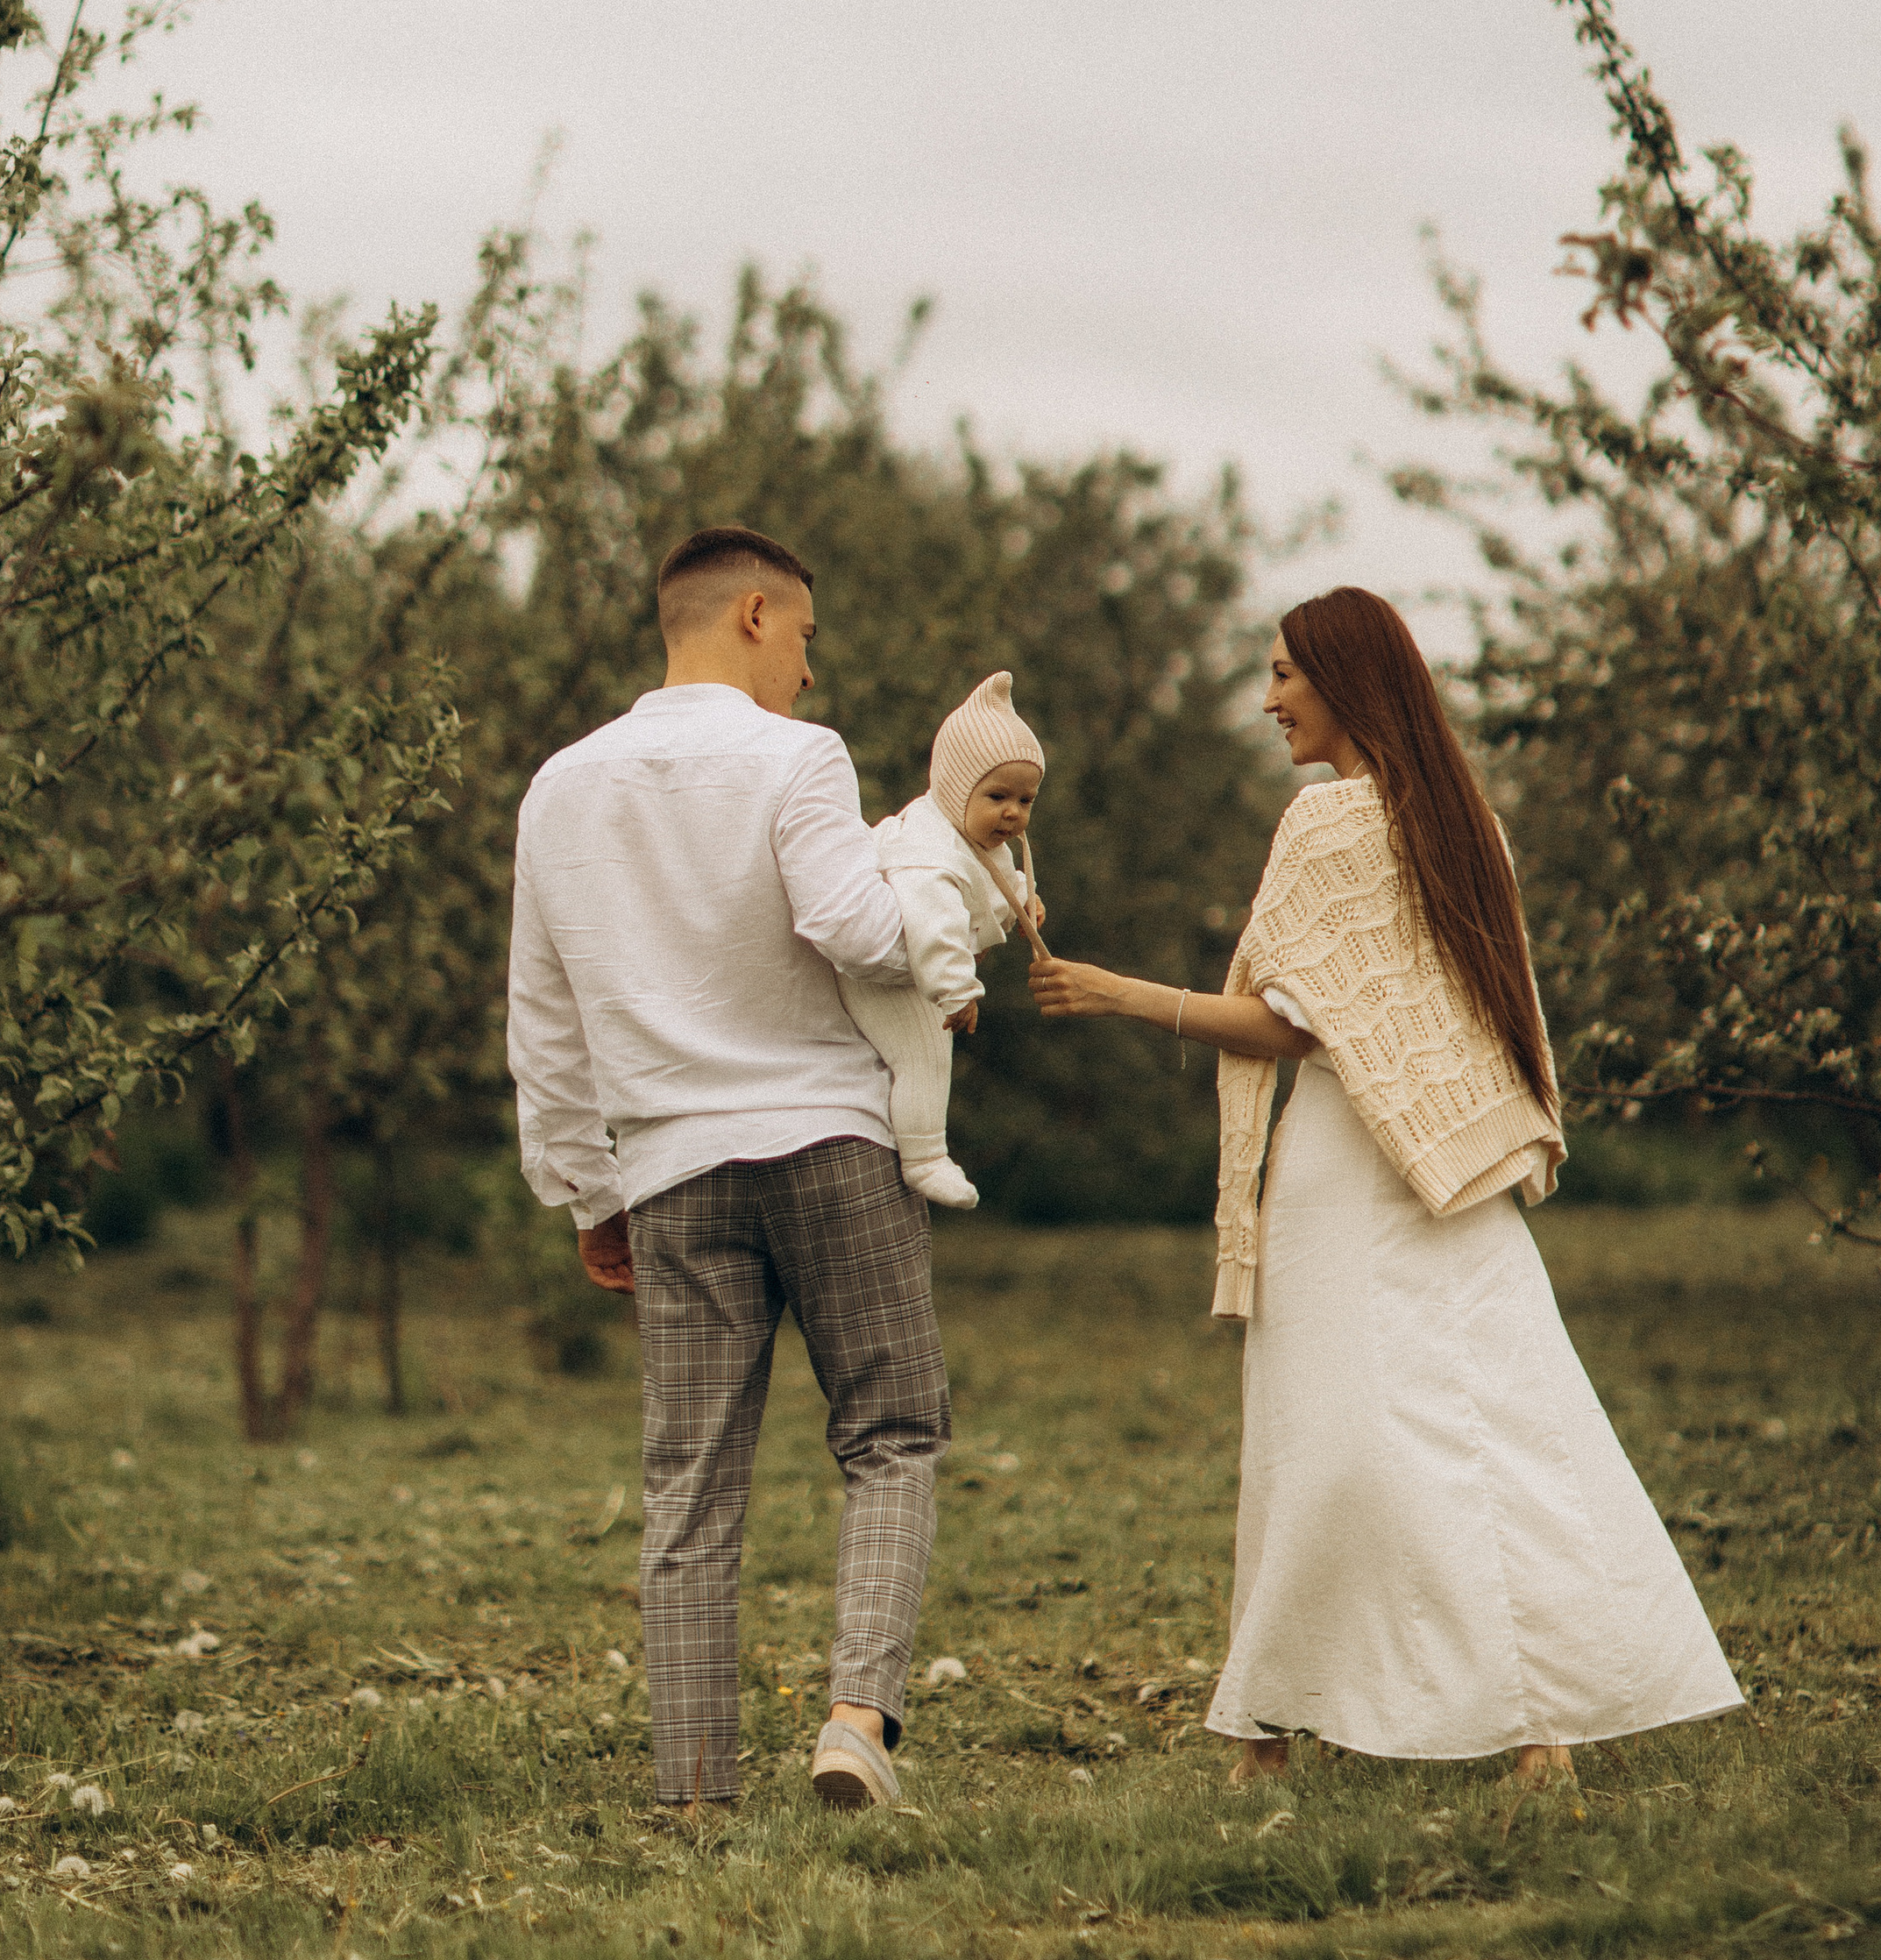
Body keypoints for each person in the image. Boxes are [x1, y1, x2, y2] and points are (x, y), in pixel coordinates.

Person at [1030, 584, 1743, 1784]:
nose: (1266, 702)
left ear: (1344, 683)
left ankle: (1274, 1728)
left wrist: (1113, 992)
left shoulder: (1323, 826)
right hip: (1451, 1161)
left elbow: (1289, 1028)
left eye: (1282, 677)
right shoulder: (1468, 824)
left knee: (1326, 1433)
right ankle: (1535, 1726)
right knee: (1507, 1422)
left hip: (1349, 1166)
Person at [506, 523, 948, 1816]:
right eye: (806, 637)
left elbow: (544, 1014)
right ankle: (856, 1719)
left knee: (689, 1480)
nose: (811, 674)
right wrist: (930, 921)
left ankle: (694, 1789)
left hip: (672, 1172)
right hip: (830, 1143)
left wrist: (586, 1189)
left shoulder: (562, 786)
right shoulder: (799, 758)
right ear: (754, 614)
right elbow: (857, 931)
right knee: (892, 1430)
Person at [841, 671, 1047, 1210]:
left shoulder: (971, 833)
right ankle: (925, 1157)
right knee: (926, 1056)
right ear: (956, 788)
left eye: (1025, 800)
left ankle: (913, 1144)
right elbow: (934, 926)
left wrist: (1022, 900)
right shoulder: (927, 851)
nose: (1012, 812)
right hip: (883, 977)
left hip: (913, 968)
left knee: (922, 1055)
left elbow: (993, 875)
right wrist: (959, 990)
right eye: (998, 795)